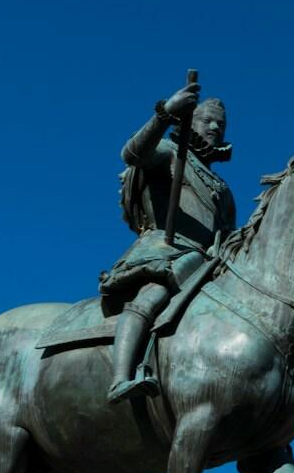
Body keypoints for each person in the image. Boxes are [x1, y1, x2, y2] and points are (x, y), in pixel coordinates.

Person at [100, 79, 236, 401]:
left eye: (221, 124)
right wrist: (165, 114)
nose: (215, 127)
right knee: (153, 295)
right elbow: (132, 153)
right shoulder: (170, 153)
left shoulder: (224, 189)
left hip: (208, 265)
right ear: (192, 120)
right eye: (207, 120)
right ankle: (120, 377)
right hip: (167, 250)